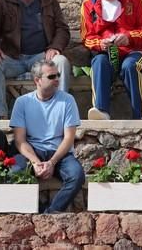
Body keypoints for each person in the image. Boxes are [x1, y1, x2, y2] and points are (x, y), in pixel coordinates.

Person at [80, 0, 142, 121]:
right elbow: (87, 37)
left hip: (134, 53)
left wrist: (129, 37)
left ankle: (141, 115)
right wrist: (100, 43)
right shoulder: (88, 5)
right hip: (106, 55)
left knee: (130, 66)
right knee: (98, 62)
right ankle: (100, 111)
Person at [10, 60, 84, 214]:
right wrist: (36, 163)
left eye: (58, 75)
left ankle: (51, 213)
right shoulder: (22, 102)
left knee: (77, 176)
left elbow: (69, 138)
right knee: (12, 173)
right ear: (37, 80)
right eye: (51, 76)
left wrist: (52, 162)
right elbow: (20, 140)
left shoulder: (67, 100)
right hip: (33, 150)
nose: (57, 79)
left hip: (59, 153)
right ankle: (39, 210)